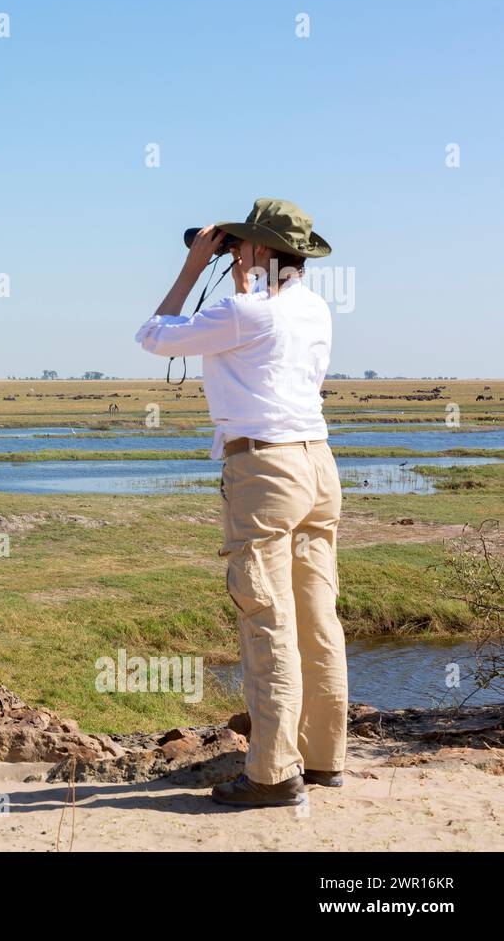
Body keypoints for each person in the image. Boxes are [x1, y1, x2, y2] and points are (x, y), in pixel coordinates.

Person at [135, 198, 346, 808]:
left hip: (264, 468)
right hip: (317, 463)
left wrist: (189, 269)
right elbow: (262, 337)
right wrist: (244, 276)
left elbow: (154, 337)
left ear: (259, 249)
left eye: (240, 244)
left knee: (267, 618)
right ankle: (324, 758)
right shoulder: (312, 308)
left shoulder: (243, 312)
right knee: (316, 615)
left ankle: (273, 776)